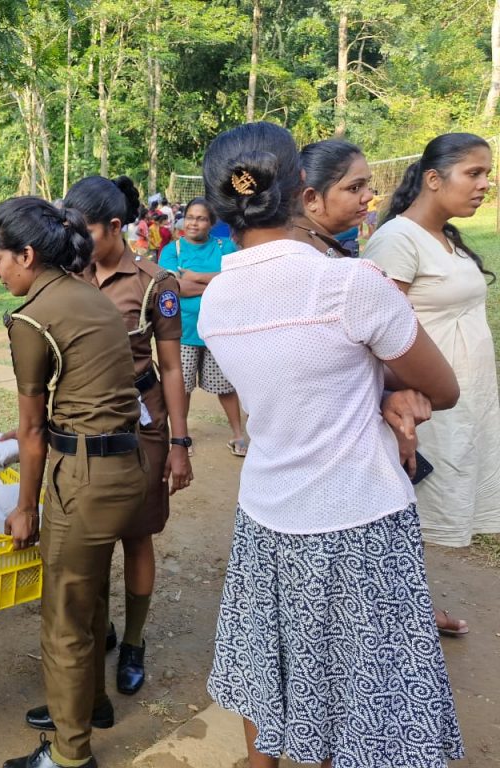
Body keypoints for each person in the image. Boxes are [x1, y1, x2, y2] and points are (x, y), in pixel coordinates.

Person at [198, 122, 463, 768]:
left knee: (272, 667)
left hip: (267, 514)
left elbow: (295, 380)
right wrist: (388, 391)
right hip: (358, 518)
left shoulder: (217, 301)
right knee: (358, 690)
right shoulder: (350, 285)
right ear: (301, 189)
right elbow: (442, 387)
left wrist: (375, 390)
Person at [0, 197, 148, 768]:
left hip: (83, 480)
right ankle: (89, 703)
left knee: (64, 620)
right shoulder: (90, 295)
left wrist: (25, 507)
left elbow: (32, 431)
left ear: (27, 255)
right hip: (125, 466)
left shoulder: (32, 318)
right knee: (91, 596)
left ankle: (69, 753)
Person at [62, 175, 191, 700]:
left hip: (142, 424)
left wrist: (180, 444)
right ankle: (103, 628)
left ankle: (133, 640)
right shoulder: (68, 276)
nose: (75, 242)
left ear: (115, 226)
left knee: (136, 535)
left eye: (85, 231)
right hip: (84, 424)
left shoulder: (155, 284)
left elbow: (172, 367)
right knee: (90, 537)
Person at [365, 132, 500, 635]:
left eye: (487, 174)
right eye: (474, 173)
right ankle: (393, 618)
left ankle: (408, 610)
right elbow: (378, 333)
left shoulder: (445, 236)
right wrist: (395, 404)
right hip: (423, 405)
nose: (485, 184)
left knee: (419, 515)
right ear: (434, 179)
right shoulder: (397, 240)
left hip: (463, 401)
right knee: (405, 512)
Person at [158, 198, 245, 456]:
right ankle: (181, 437)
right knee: (182, 388)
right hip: (182, 331)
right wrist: (217, 282)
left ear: (211, 223)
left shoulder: (225, 246)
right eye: (190, 217)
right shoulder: (172, 250)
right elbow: (175, 288)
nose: (194, 223)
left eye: (201, 218)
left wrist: (195, 277)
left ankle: (238, 436)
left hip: (218, 330)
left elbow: (237, 280)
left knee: (225, 387)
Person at [293, 140, 374, 259]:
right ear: (312, 199)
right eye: (354, 188)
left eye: (367, 184)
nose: (369, 196)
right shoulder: (306, 255)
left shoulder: (310, 242)